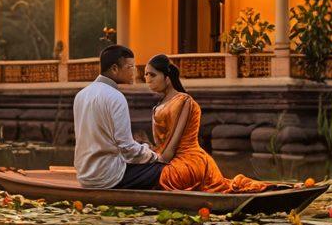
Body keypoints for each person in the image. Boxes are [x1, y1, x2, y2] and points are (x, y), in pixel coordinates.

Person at [144, 53, 267, 193]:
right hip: (166, 158)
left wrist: (153, 162)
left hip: (188, 162)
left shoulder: (184, 101)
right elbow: (160, 145)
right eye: (146, 75)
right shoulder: (157, 106)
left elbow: (171, 149)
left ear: (167, 77)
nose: (147, 79)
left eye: (152, 75)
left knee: (161, 177)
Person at [73, 44, 163, 189]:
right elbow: (127, 148)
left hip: (85, 176)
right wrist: (153, 155)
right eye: (130, 67)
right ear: (115, 69)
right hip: (109, 177)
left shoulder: (81, 95)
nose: (134, 72)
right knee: (163, 170)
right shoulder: (116, 97)